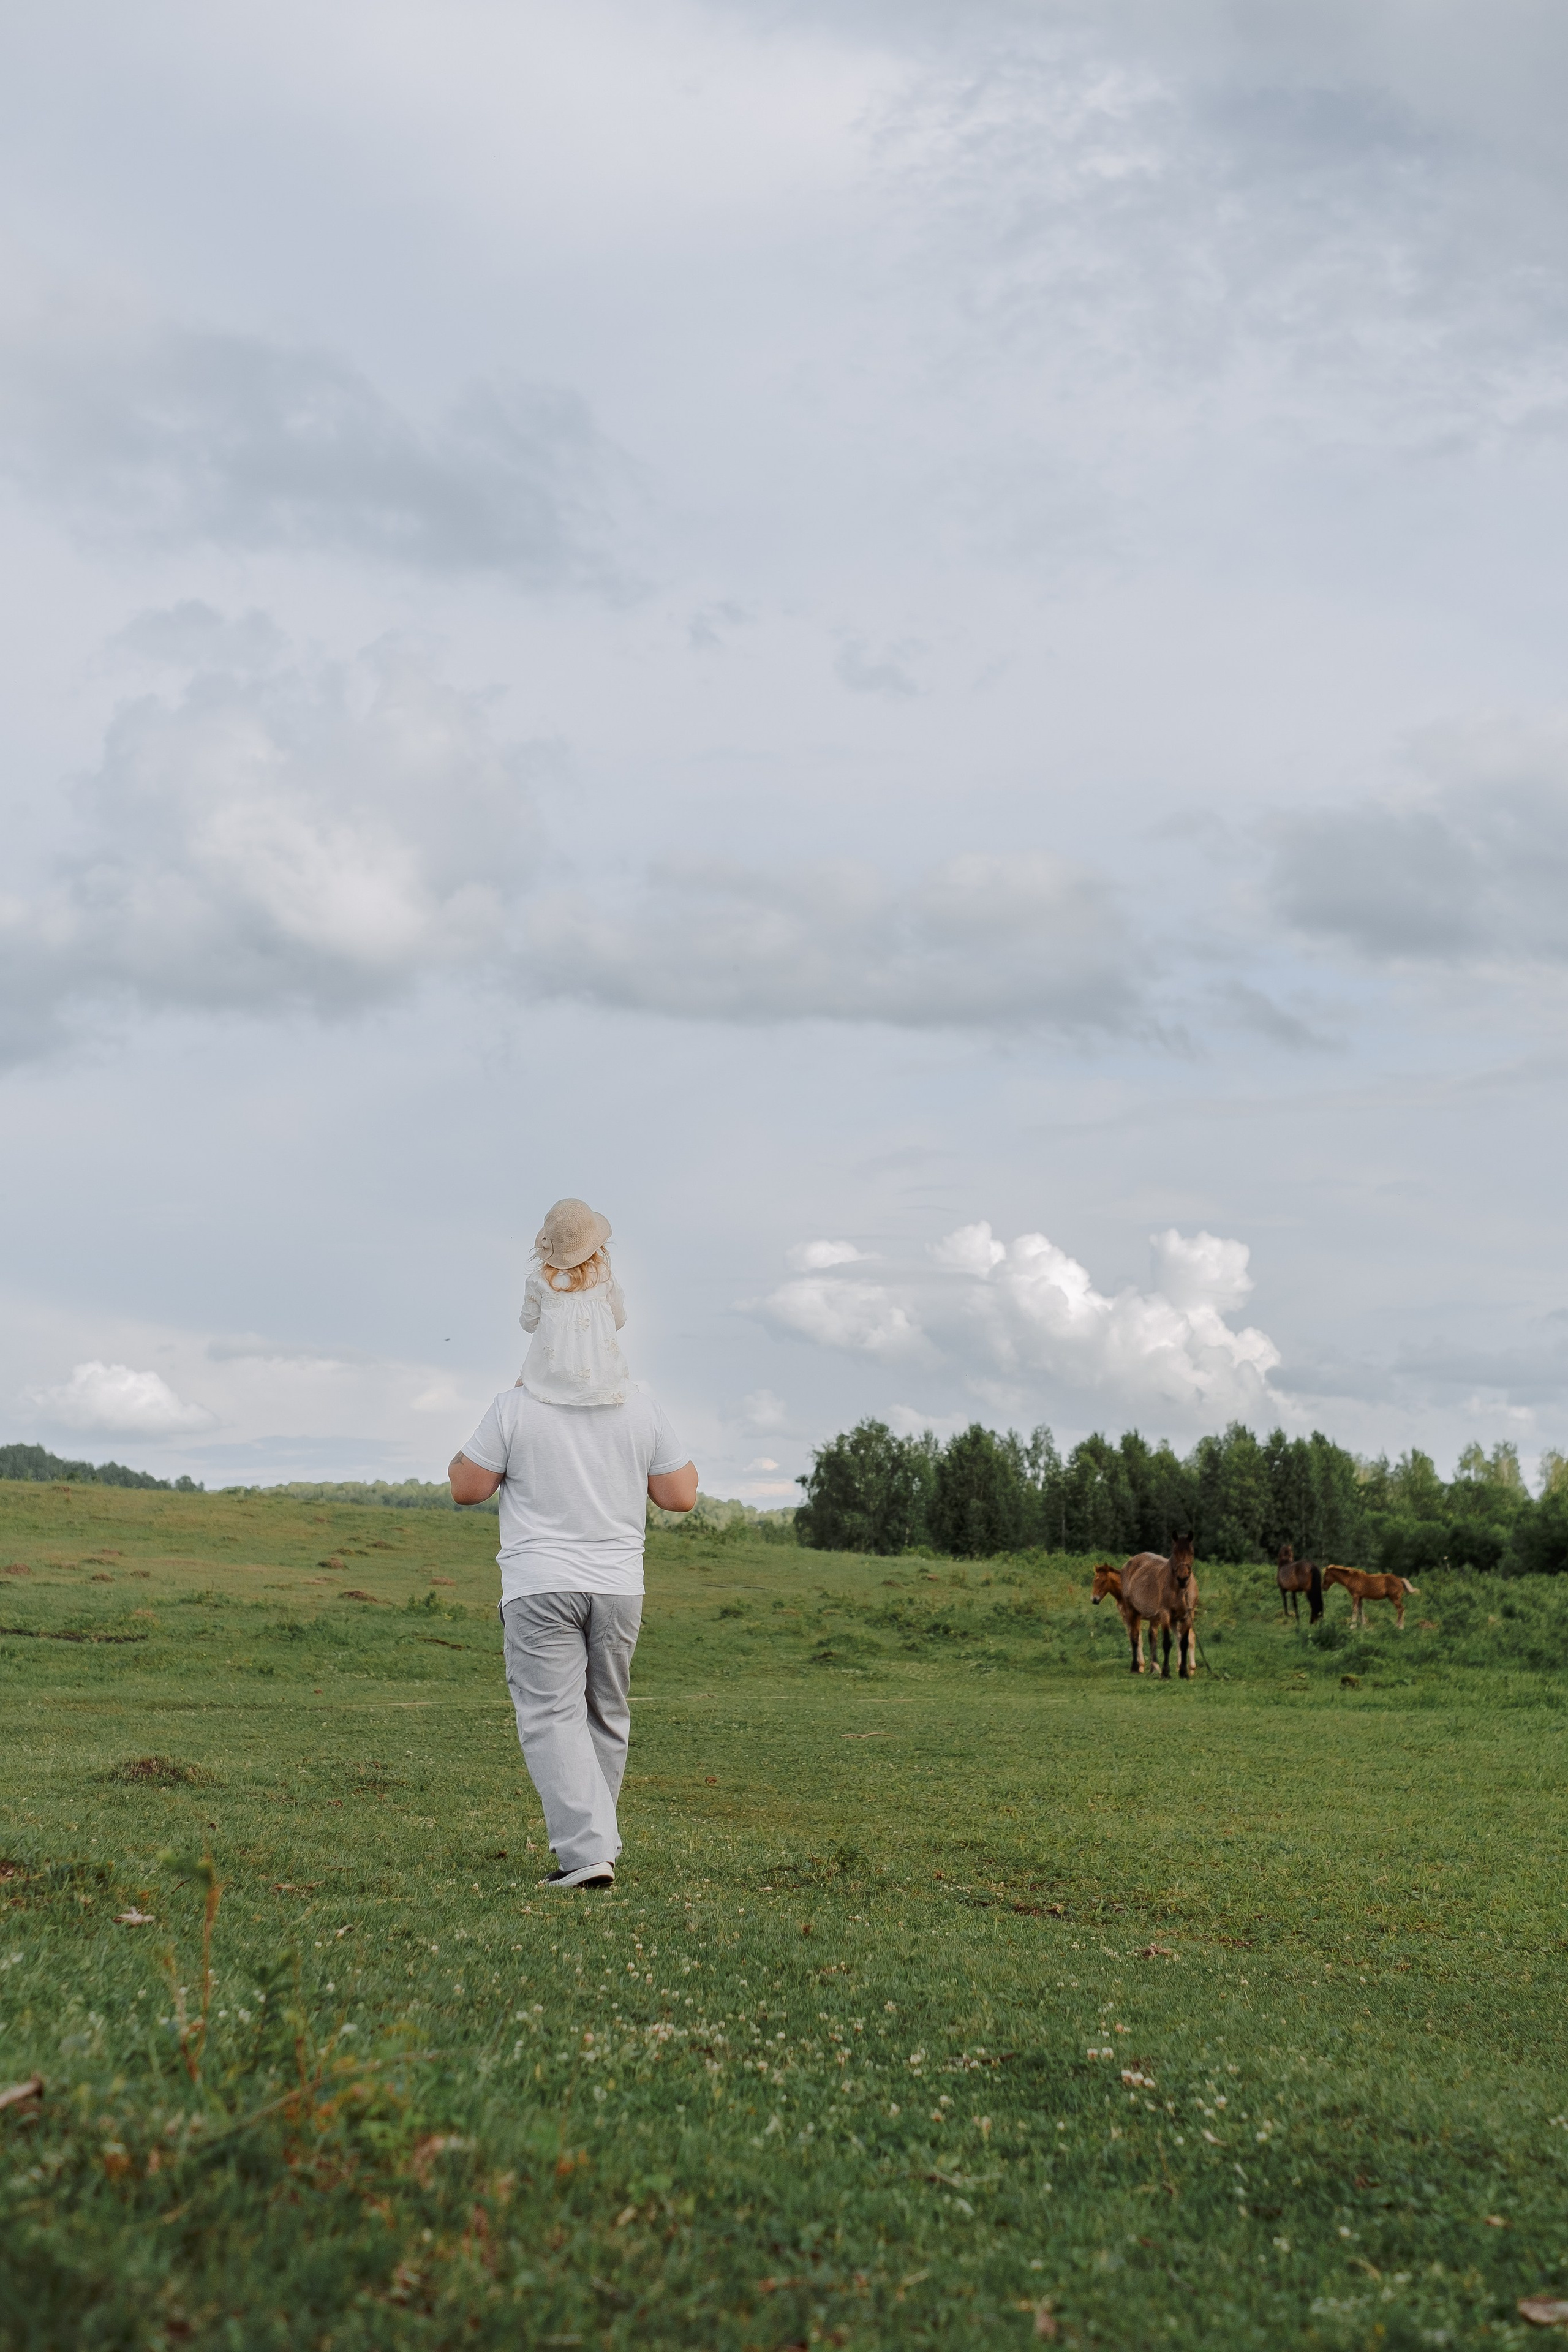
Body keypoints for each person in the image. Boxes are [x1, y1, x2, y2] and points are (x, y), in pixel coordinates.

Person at [448, 1199, 697, 1890]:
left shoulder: (514, 1408)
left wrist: (475, 1456)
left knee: (550, 1715)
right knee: (604, 1713)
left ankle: (588, 1853)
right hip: (618, 1586)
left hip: (540, 1584)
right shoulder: (641, 1406)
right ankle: (594, 1846)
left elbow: (467, 1487)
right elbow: (680, 1495)